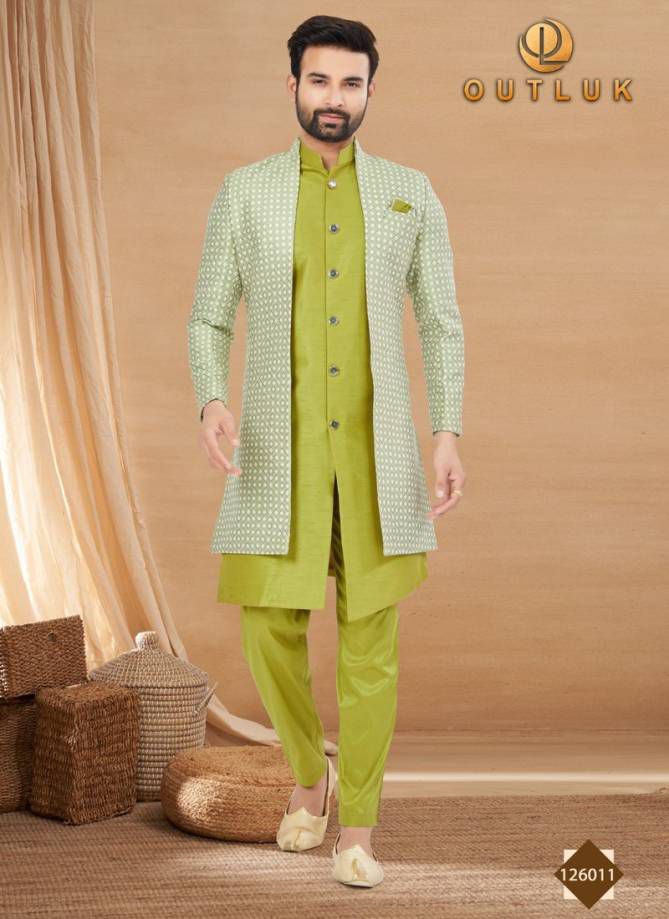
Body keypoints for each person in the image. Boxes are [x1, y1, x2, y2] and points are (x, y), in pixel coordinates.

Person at [187, 14, 465, 888]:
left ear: (370, 91)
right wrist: (211, 397)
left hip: (378, 462)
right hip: (280, 457)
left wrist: (446, 429)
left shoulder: (410, 193)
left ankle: (359, 829)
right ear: (293, 87)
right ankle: (309, 771)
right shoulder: (246, 192)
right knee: (267, 628)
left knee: (369, 648)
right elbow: (208, 314)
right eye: (319, 80)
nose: (333, 97)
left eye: (350, 82)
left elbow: (440, 320)